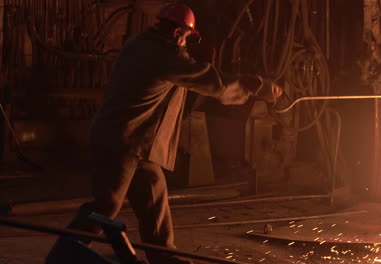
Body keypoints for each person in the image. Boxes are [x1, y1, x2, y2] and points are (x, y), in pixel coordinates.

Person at [45, 3, 282, 264]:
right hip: (121, 140)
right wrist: (256, 85)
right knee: (106, 205)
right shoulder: (163, 54)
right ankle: (63, 255)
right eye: (187, 37)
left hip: (138, 142)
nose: (186, 43)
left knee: (153, 198)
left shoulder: (142, 44)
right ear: (179, 32)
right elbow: (211, 81)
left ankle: (163, 257)